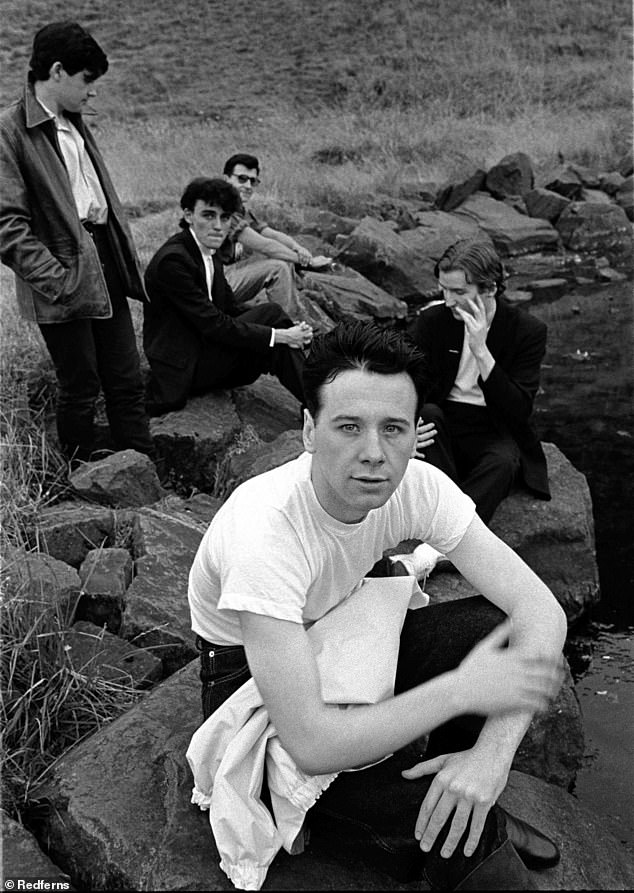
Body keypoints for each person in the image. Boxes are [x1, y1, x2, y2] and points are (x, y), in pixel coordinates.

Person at [188, 320, 567, 889]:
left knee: (495, 628)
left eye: (394, 429)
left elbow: (542, 612)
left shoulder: (418, 484)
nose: (375, 454)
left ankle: (458, 787)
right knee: (458, 838)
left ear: (417, 431)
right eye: (349, 427)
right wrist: (461, 690)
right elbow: (311, 742)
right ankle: (454, 821)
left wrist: (489, 759)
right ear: (309, 430)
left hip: (339, 624)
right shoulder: (264, 532)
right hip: (252, 676)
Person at [0, 21, 155, 466]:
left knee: (126, 378)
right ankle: (80, 481)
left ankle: (144, 480)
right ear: (57, 71)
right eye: (87, 80)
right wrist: (59, 279)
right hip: (63, 273)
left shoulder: (74, 123)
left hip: (102, 256)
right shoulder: (10, 131)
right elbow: (7, 225)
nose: (94, 92)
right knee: (81, 386)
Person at [402, 237, 550, 577]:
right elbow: (401, 380)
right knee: (425, 416)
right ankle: (454, 530)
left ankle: (437, 544)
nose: (449, 301)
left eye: (459, 292)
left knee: (503, 462)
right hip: (444, 421)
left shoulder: (526, 330)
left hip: (494, 425)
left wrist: (481, 350)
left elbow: (518, 410)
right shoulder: (434, 321)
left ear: (489, 289)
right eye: (444, 290)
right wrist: (401, 431)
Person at [143, 177, 312, 416]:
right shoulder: (174, 261)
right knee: (273, 328)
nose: (218, 226)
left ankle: (319, 404)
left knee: (273, 318)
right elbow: (213, 324)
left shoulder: (209, 251)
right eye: (208, 216)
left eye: (224, 218)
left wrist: (287, 332)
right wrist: (279, 335)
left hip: (205, 350)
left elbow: (231, 309)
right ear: (189, 215)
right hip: (185, 367)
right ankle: (322, 405)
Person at [219, 153, 327, 315]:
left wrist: (297, 248)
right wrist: (308, 262)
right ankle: (291, 328)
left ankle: (299, 303)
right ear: (227, 179)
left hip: (226, 277)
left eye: (253, 181)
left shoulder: (239, 208)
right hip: (212, 285)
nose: (248, 186)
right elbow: (265, 246)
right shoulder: (222, 209)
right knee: (278, 267)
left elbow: (270, 234)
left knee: (284, 257)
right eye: (242, 179)